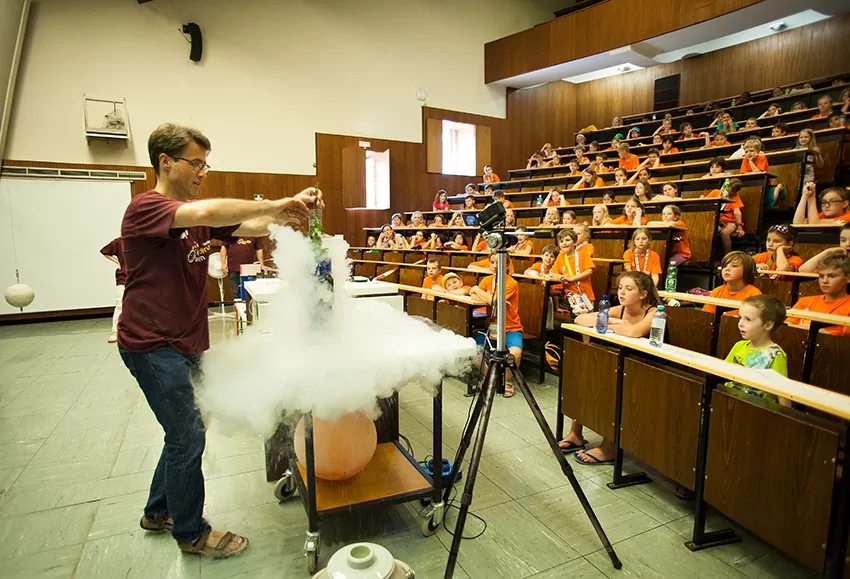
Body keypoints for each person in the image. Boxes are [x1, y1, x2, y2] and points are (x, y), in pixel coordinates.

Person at [120, 123, 322, 558]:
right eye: (196, 163)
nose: (202, 173)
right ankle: (191, 532)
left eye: (205, 165)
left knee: (184, 432)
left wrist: (291, 208)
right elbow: (209, 213)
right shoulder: (148, 208)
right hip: (152, 344)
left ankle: (159, 511)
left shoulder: (194, 218)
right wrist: (274, 202)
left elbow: (243, 220)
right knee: (187, 435)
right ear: (165, 162)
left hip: (183, 341)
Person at [562, 272, 660, 464]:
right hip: (621, 364)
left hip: (648, 369)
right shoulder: (620, 310)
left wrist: (605, 323)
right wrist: (614, 321)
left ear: (643, 294)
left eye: (629, 289)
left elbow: (633, 331)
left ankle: (609, 448)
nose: (622, 292)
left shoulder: (654, 312)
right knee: (586, 379)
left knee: (614, 389)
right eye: (620, 287)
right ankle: (575, 434)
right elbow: (580, 320)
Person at [469, 253, 524, 397]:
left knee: (515, 353)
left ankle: (507, 381)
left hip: (511, 327)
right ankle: (490, 378)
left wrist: (476, 289)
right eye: (492, 262)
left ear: (506, 265)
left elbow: (495, 300)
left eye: (499, 262)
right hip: (492, 327)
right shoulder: (487, 280)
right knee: (471, 347)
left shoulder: (511, 283)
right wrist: (480, 293)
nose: (495, 266)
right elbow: (473, 296)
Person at [724, 295, 791, 406]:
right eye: (740, 318)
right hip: (730, 403)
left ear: (768, 325)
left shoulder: (776, 355)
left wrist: (788, 419)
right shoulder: (739, 346)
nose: (740, 323)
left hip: (756, 409)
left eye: (748, 319)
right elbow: (722, 373)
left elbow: (783, 393)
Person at [788, 254, 850, 336]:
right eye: (821, 276)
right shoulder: (804, 301)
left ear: (848, 278)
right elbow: (787, 328)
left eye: (832, 276)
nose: (824, 281)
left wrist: (805, 328)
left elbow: (841, 338)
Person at [702, 251, 761, 316]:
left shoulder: (754, 295)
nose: (727, 269)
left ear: (746, 270)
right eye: (724, 266)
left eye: (734, 266)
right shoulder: (716, 292)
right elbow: (706, 317)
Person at [552, 228, 596, 308]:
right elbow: (554, 273)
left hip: (585, 294)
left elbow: (589, 270)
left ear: (575, 242)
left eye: (567, 240)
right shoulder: (560, 256)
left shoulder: (583, 254)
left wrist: (572, 278)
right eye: (561, 241)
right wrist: (562, 278)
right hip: (570, 295)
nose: (564, 243)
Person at [706, 178, 745, 254]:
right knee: (709, 230)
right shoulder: (716, 192)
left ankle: (728, 255)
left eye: (730, 193)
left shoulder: (735, 197)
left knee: (724, 233)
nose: (726, 193)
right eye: (726, 190)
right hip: (716, 220)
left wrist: (739, 226)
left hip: (730, 222)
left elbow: (737, 212)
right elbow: (705, 202)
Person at [100, 237, 126, 343]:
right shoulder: (119, 242)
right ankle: (115, 331)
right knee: (120, 304)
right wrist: (117, 262)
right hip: (124, 277)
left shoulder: (143, 242)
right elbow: (105, 251)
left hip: (140, 277)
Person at [221, 237, 262, 301]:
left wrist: (261, 264)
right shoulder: (231, 232)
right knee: (236, 293)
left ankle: (249, 310)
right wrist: (223, 264)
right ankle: (238, 310)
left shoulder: (255, 233)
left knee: (250, 292)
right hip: (233, 268)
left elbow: (259, 249)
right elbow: (224, 248)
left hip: (249, 270)